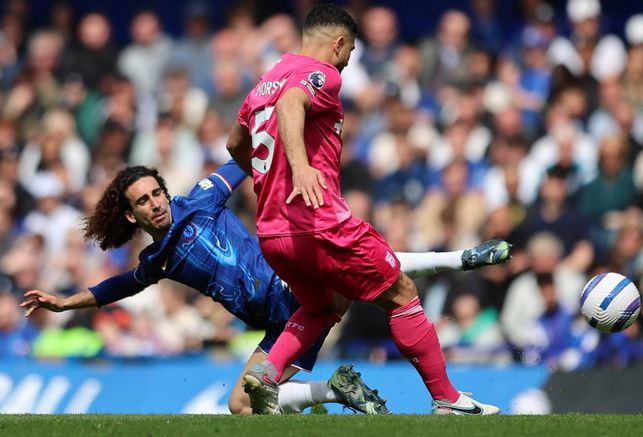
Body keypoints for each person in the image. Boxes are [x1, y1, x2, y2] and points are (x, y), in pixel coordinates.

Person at [20, 161, 510, 415]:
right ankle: (338, 390)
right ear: (132, 215)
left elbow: (242, 159)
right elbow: (119, 286)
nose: (155, 203)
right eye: (143, 201)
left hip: (292, 291)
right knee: (241, 405)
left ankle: (459, 259)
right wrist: (65, 303)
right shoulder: (156, 261)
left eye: (156, 192)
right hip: (276, 325)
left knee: (360, 277)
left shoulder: (202, 199)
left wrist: (273, 131)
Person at [226, 3, 510, 415]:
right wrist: (300, 169)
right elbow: (291, 104)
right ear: (338, 43)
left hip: (272, 232)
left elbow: (235, 143)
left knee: (323, 306)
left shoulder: (265, 81)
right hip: (318, 222)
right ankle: (447, 400)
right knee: (401, 293)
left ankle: (268, 372)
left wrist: (266, 181)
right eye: (351, 50)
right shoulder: (322, 73)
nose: (348, 59)